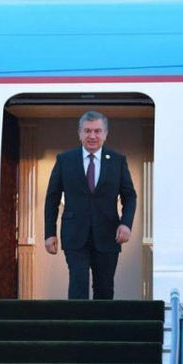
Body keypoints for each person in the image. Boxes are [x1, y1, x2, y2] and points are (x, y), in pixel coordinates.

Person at [44, 111, 137, 299]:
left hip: (108, 235)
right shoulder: (65, 160)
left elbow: (130, 196)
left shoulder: (118, 161)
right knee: (78, 284)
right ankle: (78, 320)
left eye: (97, 131)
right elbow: (52, 198)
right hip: (74, 234)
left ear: (105, 134)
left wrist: (126, 224)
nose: (92, 136)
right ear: (79, 133)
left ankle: (101, 320)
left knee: (104, 289)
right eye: (87, 131)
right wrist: (49, 233)